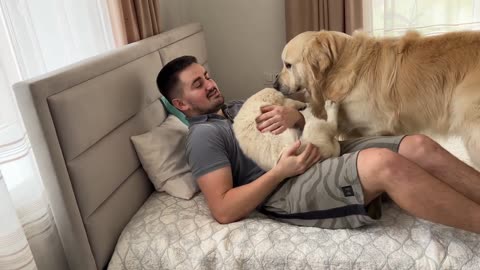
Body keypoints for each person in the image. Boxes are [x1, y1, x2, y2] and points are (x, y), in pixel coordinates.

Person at [156, 55, 480, 233]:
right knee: (383, 163)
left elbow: (302, 121)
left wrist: (293, 117)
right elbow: (223, 210)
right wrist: (280, 172)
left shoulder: (238, 107)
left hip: (313, 152)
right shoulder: (203, 137)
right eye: (198, 85)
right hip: (284, 188)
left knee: (419, 146)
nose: (211, 85)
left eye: (208, 76)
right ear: (181, 105)